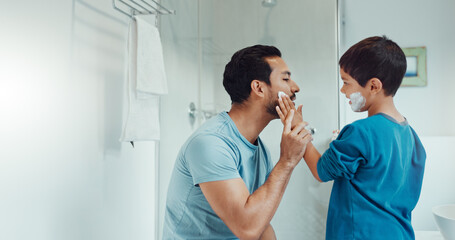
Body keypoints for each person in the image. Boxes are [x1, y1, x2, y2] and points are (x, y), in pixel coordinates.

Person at [277, 36, 426, 239]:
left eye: (346, 83)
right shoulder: (412, 137)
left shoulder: (360, 131)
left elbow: (321, 171)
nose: (342, 90)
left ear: (374, 86)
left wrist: (297, 126)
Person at [162, 45, 312, 239]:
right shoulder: (210, 144)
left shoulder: (259, 149)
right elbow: (247, 229)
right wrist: (287, 162)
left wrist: (288, 160)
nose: (295, 87)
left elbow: (261, 222)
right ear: (258, 88)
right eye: (285, 79)